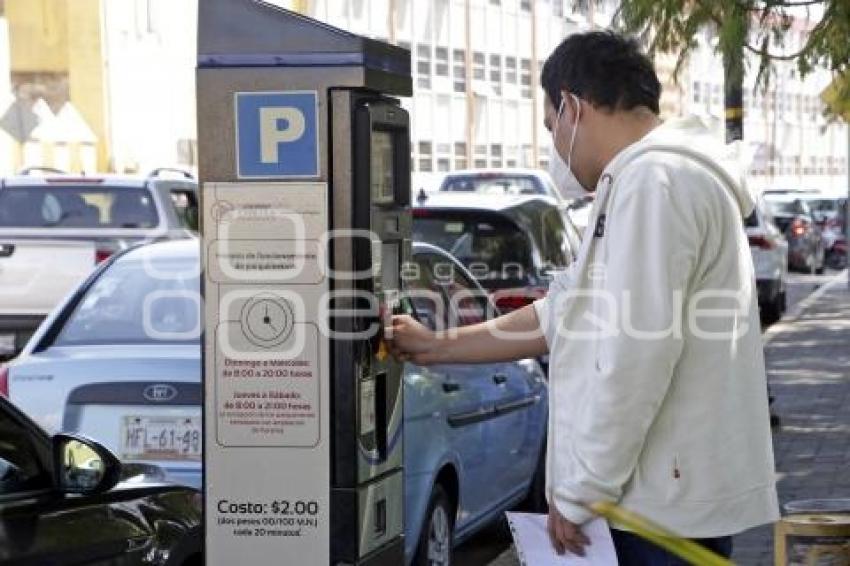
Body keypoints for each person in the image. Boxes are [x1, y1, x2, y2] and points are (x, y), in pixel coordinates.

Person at [386, 31, 779, 564]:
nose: (554, 149)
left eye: (552, 127)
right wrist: (436, 345)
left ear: (572, 105)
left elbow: (635, 354)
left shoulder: (652, 181)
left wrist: (581, 491)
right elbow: (567, 313)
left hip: (648, 510)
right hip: (661, 500)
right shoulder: (655, 179)